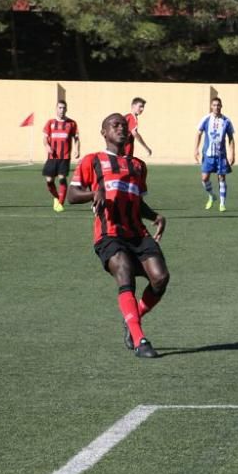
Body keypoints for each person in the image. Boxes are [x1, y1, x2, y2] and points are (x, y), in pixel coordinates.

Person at [67, 113, 169, 358]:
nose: (121, 128)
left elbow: (135, 200)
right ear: (104, 132)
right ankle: (140, 339)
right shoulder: (93, 161)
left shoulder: (138, 166)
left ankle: (132, 318)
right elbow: (71, 195)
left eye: (124, 125)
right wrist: (94, 193)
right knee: (124, 273)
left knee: (161, 278)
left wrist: (155, 216)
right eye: (115, 125)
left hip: (137, 233)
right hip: (109, 233)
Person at [194, 96, 236, 212]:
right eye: (214, 105)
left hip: (221, 155)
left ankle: (222, 204)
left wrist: (232, 154)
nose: (216, 107)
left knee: (221, 178)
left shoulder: (226, 121)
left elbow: (231, 138)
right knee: (204, 178)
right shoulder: (206, 119)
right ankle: (212, 196)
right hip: (208, 154)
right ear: (211, 107)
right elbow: (198, 133)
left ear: (221, 106)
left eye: (218, 105)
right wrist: (196, 149)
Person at [42, 101, 80, 212]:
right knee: (49, 181)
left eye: (63, 108)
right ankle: (56, 197)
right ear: (56, 109)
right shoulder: (50, 123)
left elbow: (76, 138)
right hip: (52, 157)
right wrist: (47, 145)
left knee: (62, 178)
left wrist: (77, 149)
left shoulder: (72, 123)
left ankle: (60, 203)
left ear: (66, 109)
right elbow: (45, 138)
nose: (62, 110)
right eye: (59, 108)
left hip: (65, 156)